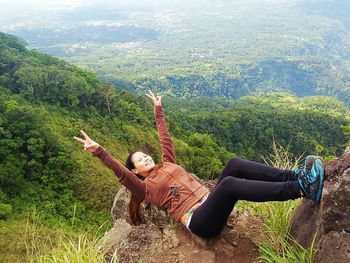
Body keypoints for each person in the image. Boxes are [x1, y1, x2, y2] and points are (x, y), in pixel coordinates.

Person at [74, 90, 324, 239]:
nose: (146, 158)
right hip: (201, 221)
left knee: (234, 164)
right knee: (228, 185)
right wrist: (99, 151)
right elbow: (118, 171)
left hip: (209, 201)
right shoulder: (144, 188)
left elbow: (165, 139)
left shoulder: (167, 164)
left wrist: (158, 111)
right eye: (140, 160)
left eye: (145, 155)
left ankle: (295, 176)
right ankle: (301, 189)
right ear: (135, 171)